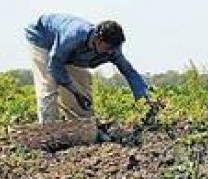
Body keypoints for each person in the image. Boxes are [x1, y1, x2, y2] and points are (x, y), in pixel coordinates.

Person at [24, 13, 152, 125]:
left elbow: (130, 73)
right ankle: (49, 129)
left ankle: (83, 126)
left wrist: (145, 101)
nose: (110, 53)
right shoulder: (74, 35)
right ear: (98, 39)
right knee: (49, 83)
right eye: (107, 48)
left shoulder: (113, 50)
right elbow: (55, 64)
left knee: (82, 81)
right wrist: (74, 91)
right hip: (42, 38)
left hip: (66, 52)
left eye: (114, 49)